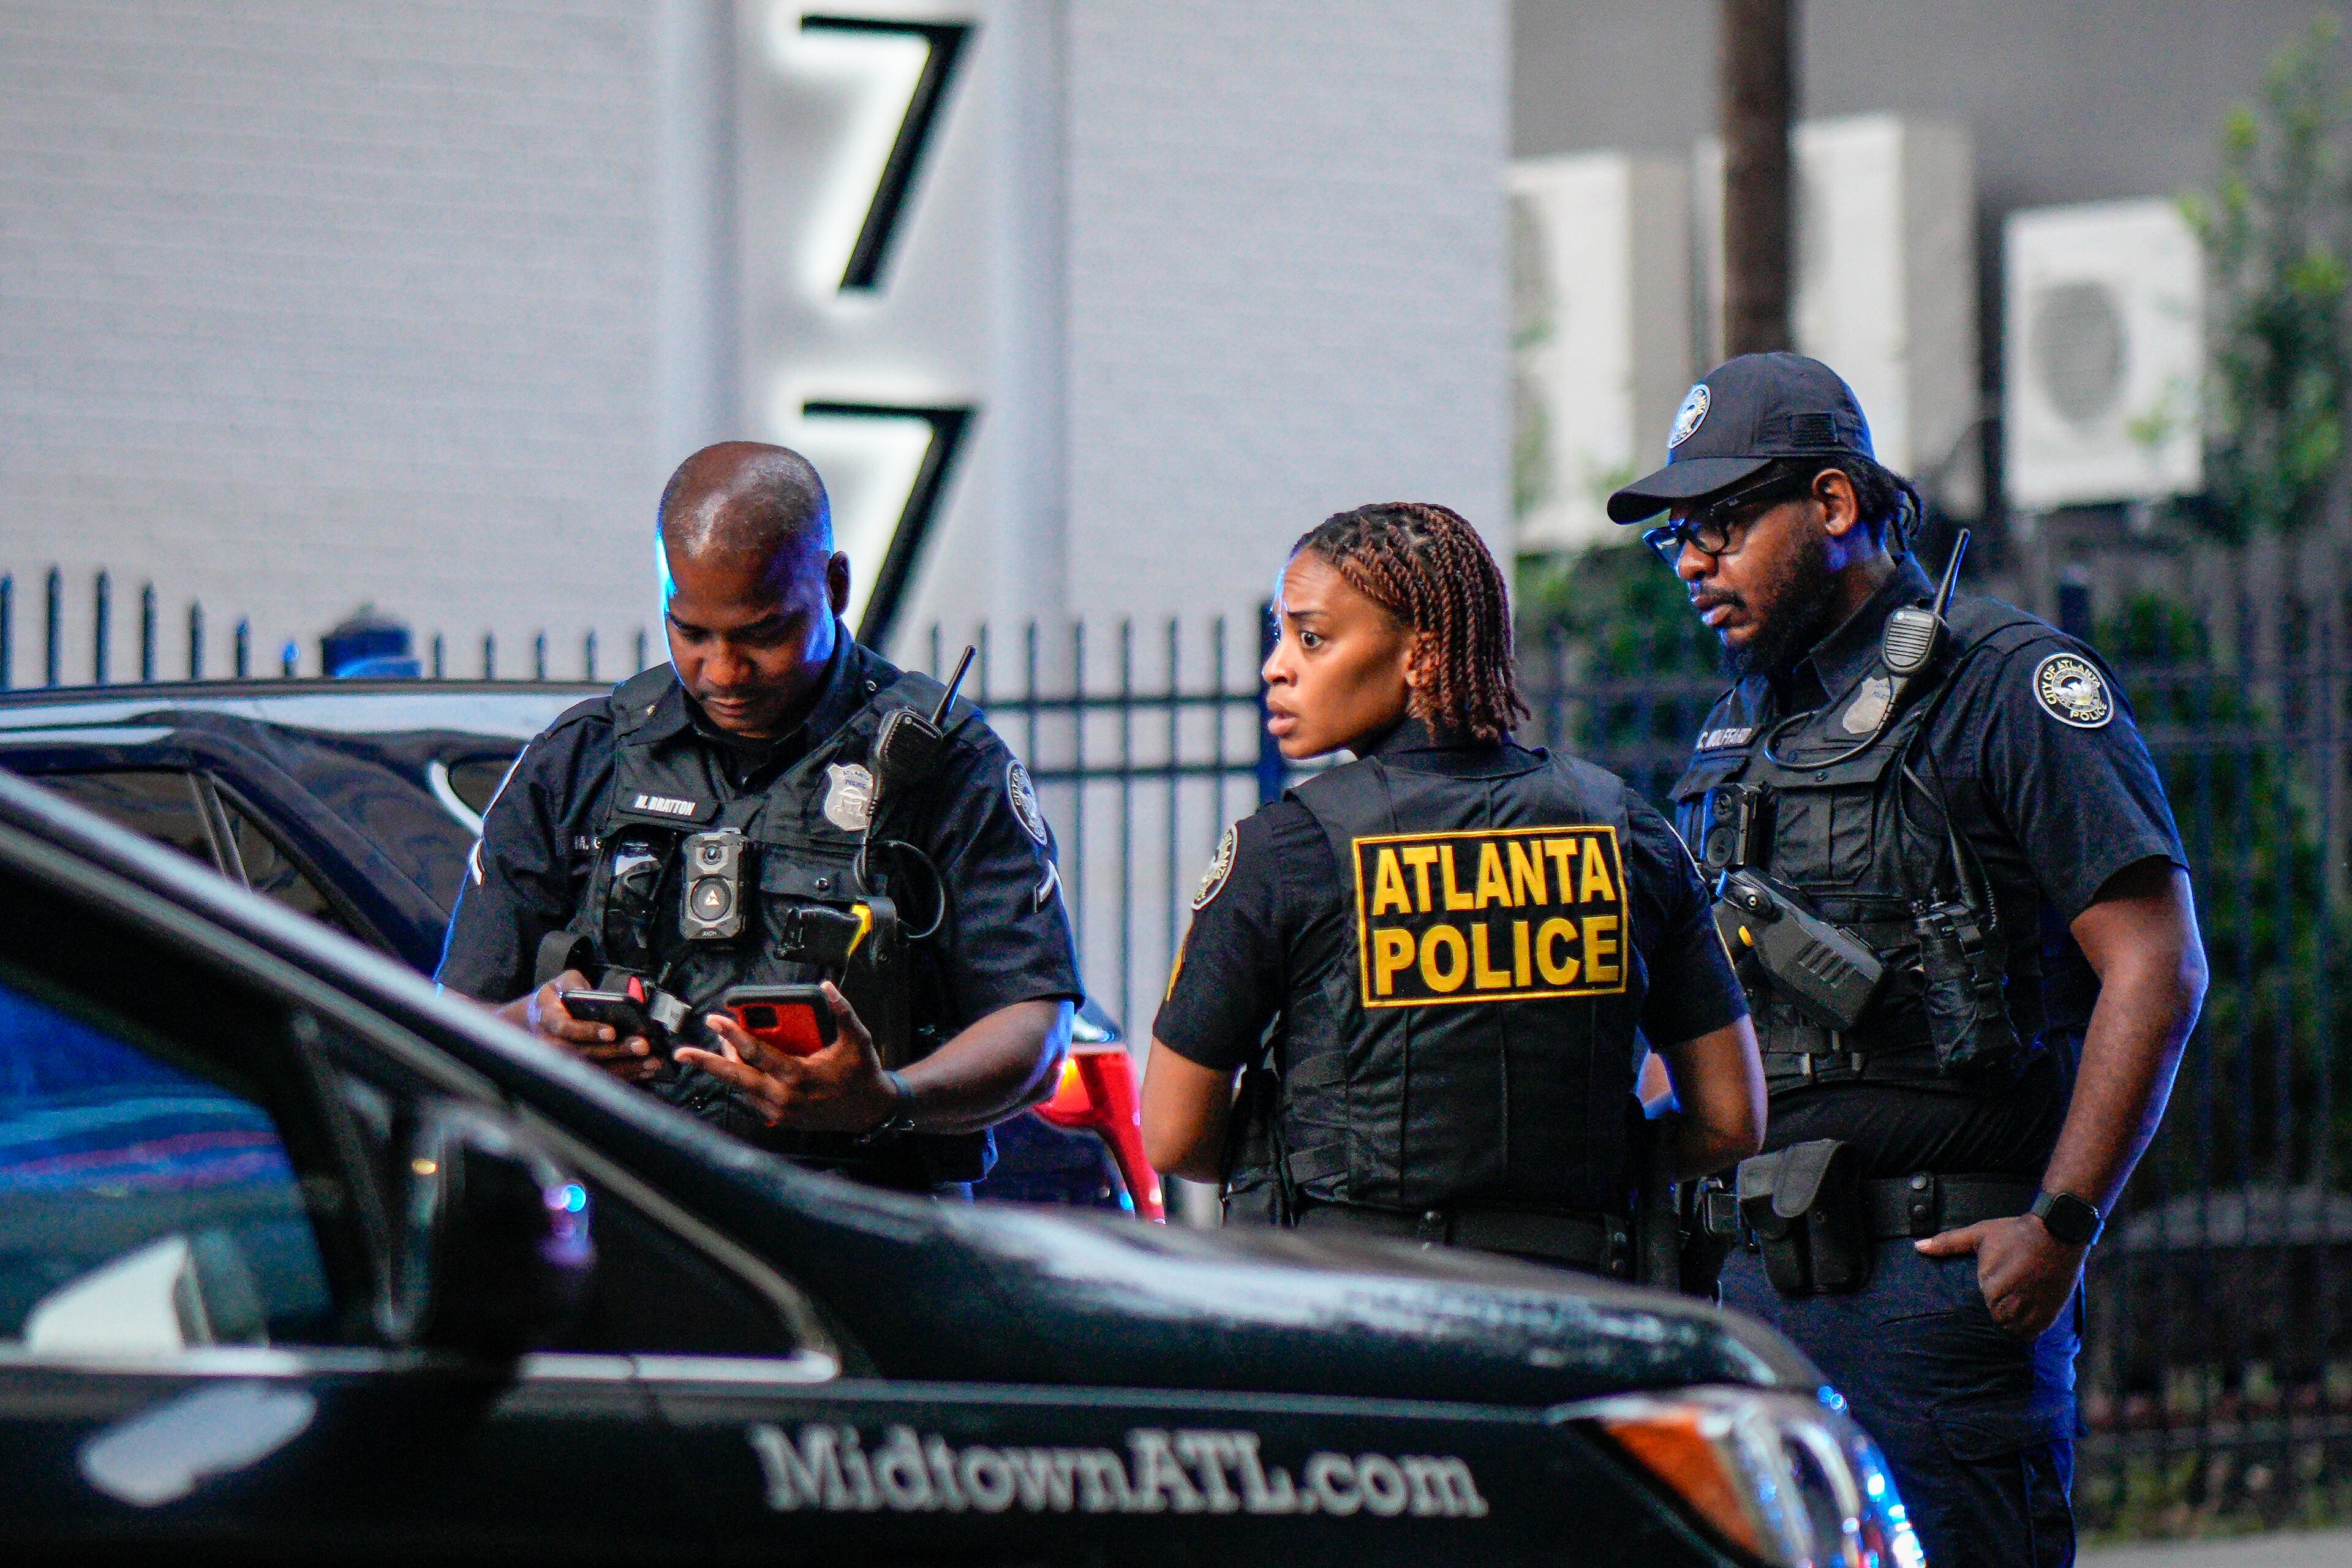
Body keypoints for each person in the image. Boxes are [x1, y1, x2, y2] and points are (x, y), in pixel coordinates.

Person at [1608, 352, 2208, 1568]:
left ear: (1834, 504)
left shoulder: (2005, 684)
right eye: (1676, 535)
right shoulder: (1745, 721)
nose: (1691, 560)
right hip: (1756, 1291)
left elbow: (2158, 964)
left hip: (1938, 1288)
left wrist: (2061, 1224)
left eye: (1722, 523)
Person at [436, 442, 1080, 1194]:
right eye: (691, 633)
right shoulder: (582, 759)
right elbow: (457, 1023)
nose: (724, 672)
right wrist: (544, 1034)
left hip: (866, 1231)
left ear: (836, 584)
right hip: (634, 1222)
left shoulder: (941, 761)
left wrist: (884, 1103)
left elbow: (1035, 1027)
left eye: (764, 633)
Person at [1139, 501, 1764, 1276]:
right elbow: (1733, 1120)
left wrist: (1299, 1154)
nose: (1277, 666)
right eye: (1282, 637)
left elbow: (1170, 1137)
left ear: (1418, 654)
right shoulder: (1627, 829)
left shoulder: (1287, 849)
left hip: (1358, 1307)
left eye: (1311, 637)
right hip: (1582, 1300)